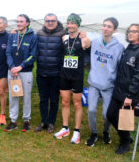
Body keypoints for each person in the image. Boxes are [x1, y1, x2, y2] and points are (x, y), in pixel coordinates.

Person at [107, 24, 139, 154]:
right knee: (110, 115)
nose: (131, 33)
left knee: (123, 118)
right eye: (129, 31)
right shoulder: (129, 47)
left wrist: (129, 96)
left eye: (135, 31)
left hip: (130, 92)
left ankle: (125, 143)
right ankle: (126, 137)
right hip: (119, 89)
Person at [86, 17, 124, 147]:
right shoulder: (95, 42)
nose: (105, 28)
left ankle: (106, 131)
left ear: (115, 30)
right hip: (94, 83)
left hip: (109, 85)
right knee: (91, 110)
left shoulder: (119, 48)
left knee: (106, 113)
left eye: (109, 26)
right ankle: (93, 133)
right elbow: (84, 44)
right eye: (104, 25)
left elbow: (120, 68)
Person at [54, 13, 91, 144]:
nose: (70, 25)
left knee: (77, 103)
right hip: (64, 75)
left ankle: (77, 130)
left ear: (78, 25)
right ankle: (65, 128)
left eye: (73, 23)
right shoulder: (64, 37)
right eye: (68, 23)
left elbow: (91, 47)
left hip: (77, 77)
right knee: (64, 102)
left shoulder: (84, 40)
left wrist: (84, 34)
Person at [4, 14, 37, 132]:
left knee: (26, 96)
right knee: (13, 95)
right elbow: (8, 52)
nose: (18, 23)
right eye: (17, 21)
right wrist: (12, 67)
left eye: (21, 21)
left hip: (25, 72)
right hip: (12, 71)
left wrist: (20, 66)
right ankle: (13, 121)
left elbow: (33, 55)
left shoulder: (33, 36)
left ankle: (26, 120)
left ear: (27, 23)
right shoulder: (13, 35)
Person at [34, 13, 66, 133]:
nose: (50, 23)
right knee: (43, 99)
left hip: (56, 73)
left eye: (53, 20)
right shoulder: (39, 34)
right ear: (44, 22)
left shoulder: (63, 34)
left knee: (53, 99)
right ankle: (44, 121)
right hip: (41, 72)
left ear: (57, 21)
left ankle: (51, 122)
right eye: (48, 20)